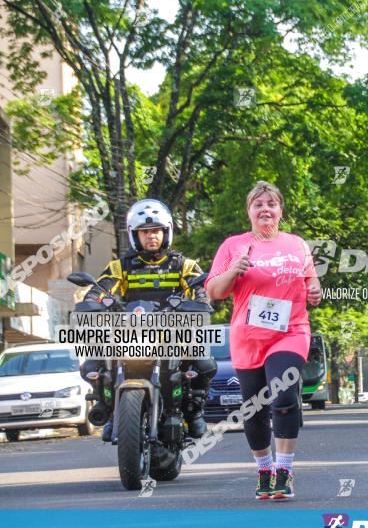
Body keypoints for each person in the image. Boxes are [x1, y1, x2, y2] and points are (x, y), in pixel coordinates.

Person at [206, 181, 322, 500]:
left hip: (291, 331)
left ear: (281, 210)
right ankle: (264, 470)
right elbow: (214, 291)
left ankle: (284, 471)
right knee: (254, 408)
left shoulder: (297, 244)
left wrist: (315, 292)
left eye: (271, 203)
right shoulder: (233, 246)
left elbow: (313, 286)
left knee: (283, 398)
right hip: (248, 338)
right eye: (258, 204)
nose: (265, 209)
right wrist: (233, 271)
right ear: (249, 212)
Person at [80, 199, 215, 442]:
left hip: (173, 330)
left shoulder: (184, 264)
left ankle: (194, 412)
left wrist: (201, 302)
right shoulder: (120, 266)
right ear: (135, 235)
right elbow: (101, 288)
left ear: (166, 232)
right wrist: (91, 301)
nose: (151, 236)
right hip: (131, 331)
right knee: (92, 364)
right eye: (145, 232)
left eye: (156, 231)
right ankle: (108, 410)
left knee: (204, 364)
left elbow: (200, 288)